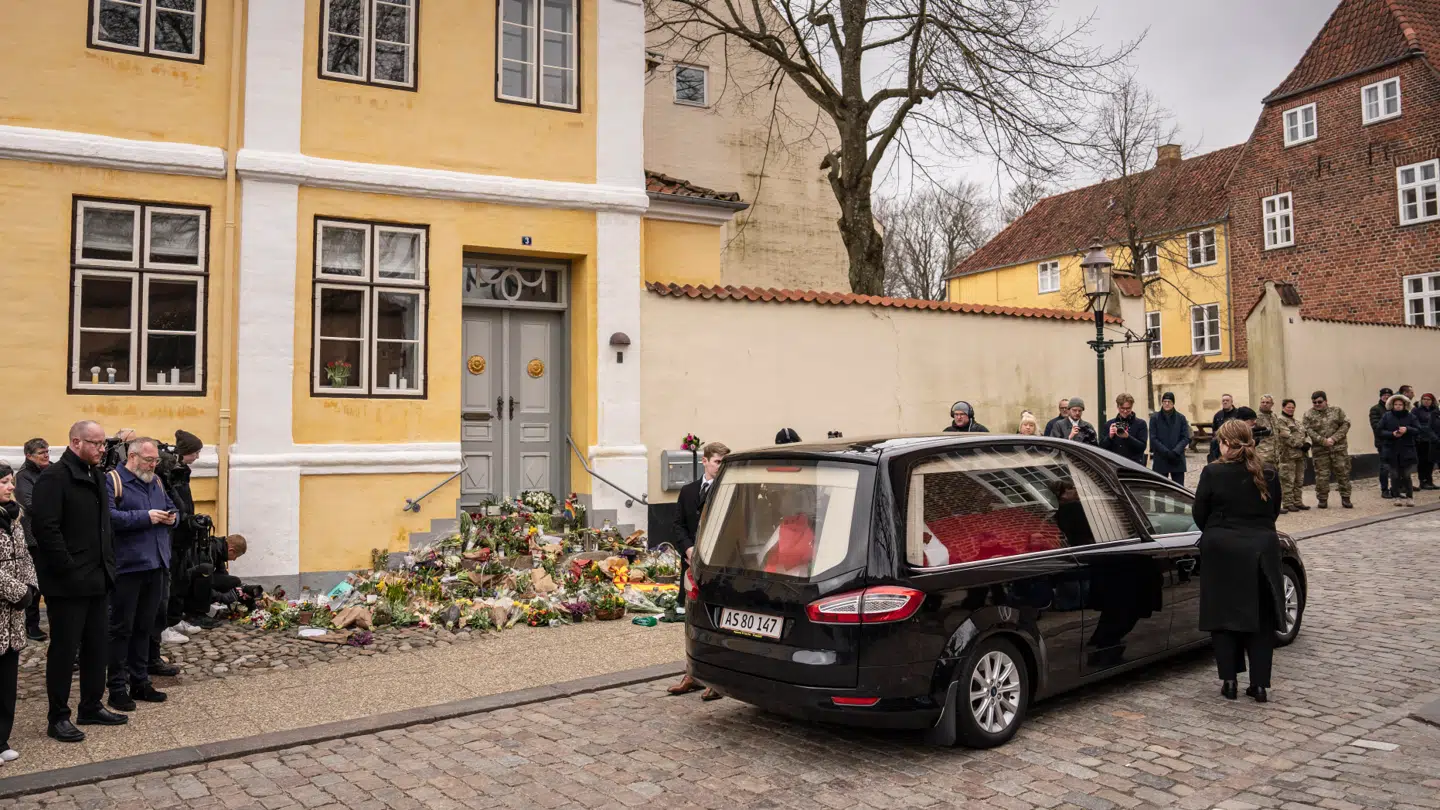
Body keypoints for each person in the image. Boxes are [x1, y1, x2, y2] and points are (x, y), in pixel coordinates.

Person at [30, 421, 128, 742]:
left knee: (96, 647)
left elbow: (104, 527)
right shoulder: (54, 478)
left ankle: (90, 704)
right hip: (68, 584)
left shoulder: (96, 475)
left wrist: (108, 566)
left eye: (103, 444)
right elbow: (47, 530)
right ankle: (58, 716)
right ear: (76, 442)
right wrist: (69, 570)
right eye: (96, 444)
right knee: (63, 651)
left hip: (98, 579)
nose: (103, 449)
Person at [1194, 420, 1284, 704]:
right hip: (1260, 550)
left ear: (1224, 443)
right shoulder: (1268, 472)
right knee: (1260, 619)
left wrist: (1220, 529)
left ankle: (1229, 681)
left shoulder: (1213, 472)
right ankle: (1259, 685)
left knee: (1223, 617)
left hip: (1222, 550)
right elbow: (1274, 511)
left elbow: (1200, 513)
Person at [105, 438, 178, 712]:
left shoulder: (156, 481)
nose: (154, 464)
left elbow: (173, 507)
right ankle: (116, 686)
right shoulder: (113, 480)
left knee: (145, 628)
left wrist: (173, 517)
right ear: (133, 457)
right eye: (150, 460)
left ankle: (140, 681)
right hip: (128, 566)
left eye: (156, 460)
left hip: (156, 563)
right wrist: (146, 517)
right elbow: (109, 518)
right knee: (121, 628)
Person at [667, 441, 728, 700]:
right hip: (691, 564)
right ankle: (691, 673)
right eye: (717, 462)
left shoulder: (728, 492)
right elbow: (678, 524)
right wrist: (688, 550)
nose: (720, 467)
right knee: (691, 620)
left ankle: (717, 680)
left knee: (718, 623)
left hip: (717, 568)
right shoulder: (689, 491)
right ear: (705, 461)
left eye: (723, 463)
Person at [0, 463, 40, 764]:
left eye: (11, 481)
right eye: (3, 482)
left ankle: (1, 739)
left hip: (11, 616)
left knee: (7, 680)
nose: (10, 487)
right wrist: (18, 591)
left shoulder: (13, 516)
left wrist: (30, 586)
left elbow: (25, 555)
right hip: (5, 604)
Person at [13, 439, 49, 642]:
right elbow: (29, 504)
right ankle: (32, 624)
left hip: (53, 533)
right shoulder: (23, 477)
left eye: (47, 451)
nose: (46, 455)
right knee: (35, 582)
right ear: (28, 456)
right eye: (41, 453)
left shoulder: (52, 470)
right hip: (33, 536)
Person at [1304, 390, 1353, 509]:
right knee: (1322, 476)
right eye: (1314, 402)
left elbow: (1346, 424)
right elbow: (1307, 429)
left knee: (1343, 473)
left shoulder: (1337, 411)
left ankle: (1346, 498)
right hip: (1320, 450)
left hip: (1338, 449)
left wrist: (1334, 439)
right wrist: (1322, 440)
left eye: (1319, 402)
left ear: (1326, 401)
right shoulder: (1308, 414)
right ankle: (1322, 499)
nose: (1317, 404)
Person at [1378, 394, 1419, 507]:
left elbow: (1418, 429)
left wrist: (1407, 429)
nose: (1398, 406)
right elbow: (1380, 431)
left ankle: (1410, 497)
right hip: (1391, 450)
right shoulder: (1387, 416)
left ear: (1404, 405)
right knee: (1394, 475)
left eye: (1400, 404)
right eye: (1396, 404)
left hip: (1407, 450)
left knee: (1406, 475)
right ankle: (1396, 496)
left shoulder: (1410, 416)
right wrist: (1392, 434)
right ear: (1392, 405)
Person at [1273, 399, 1310, 513]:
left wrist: (1308, 443)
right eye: (1288, 407)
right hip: (1287, 455)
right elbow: (1286, 436)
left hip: (1300, 455)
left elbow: (1305, 433)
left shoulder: (1297, 421)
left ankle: (1298, 501)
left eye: (1292, 407)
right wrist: (1301, 444)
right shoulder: (1280, 420)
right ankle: (1288, 503)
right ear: (1283, 408)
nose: (1291, 409)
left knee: (1299, 479)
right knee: (1288, 479)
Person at [1149, 392, 1191, 485]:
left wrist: (1176, 451)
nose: (1167, 403)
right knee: (1160, 489)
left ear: (1173, 403)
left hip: (1177, 458)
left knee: (1179, 489)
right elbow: (1153, 437)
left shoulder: (1181, 418)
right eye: (1164, 401)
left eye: (1169, 401)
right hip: (1161, 458)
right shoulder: (1154, 418)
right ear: (1162, 403)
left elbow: (1185, 437)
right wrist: (1166, 452)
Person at [1101, 393, 1148, 464]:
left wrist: (1127, 437)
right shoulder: (1109, 424)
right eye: (1122, 408)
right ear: (1118, 407)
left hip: (1134, 465)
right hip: (1115, 464)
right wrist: (1109, 436)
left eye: (1128, 408)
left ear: (1132, 407)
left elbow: (1142, 447)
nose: (1125, 411)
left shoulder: (1140, 424)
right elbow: (1101, 448)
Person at [1370, 387, 1395, 498]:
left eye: (1389, 395)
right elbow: (1376, 427)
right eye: (1384, 395)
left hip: (1397, 442)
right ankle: (1384, 490)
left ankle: (1396, 488)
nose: (1386, 396)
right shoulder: (1375, 409)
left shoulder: (1395, 408)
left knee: (1396, 467)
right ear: (1381, 396)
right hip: (1383, 442)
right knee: (1385, 467)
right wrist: (1391, 432)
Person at [1416, 393, 1438, 490]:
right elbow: (1416, 424)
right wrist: (1426, 429)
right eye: (1424, 399)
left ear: (1432, 401)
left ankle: (1429, 480)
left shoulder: (1435, 411)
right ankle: (1422, 481)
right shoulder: (1416, 410)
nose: (1426, 401)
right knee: (1422, 461)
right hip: (1422, 439)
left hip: (1433, 440)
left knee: (1431, 461)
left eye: (1428, 399)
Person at [1255, 396, 1278, 466]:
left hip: (1275, 454)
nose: (1265, 404)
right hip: (1262, 453)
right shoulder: (1256, 417)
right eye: (1263, 402)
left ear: (1272, 404)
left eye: (1267, 402)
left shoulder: (1274, 416)